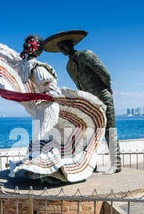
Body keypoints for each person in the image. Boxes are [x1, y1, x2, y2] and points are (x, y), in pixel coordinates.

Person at [0, 35, 107, 183]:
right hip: (46, 107)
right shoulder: (37, 67)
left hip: (44, 107)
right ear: (39, 51)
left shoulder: (24, 65)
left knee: (44, 138)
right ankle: (44, 171)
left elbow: (12, 58)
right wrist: (70, 97)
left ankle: (45, 171)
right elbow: (50, 89)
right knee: (44, 138)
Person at [43, 30, 122, 174]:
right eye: (61, 47)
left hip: (102, 95)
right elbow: (78, 86)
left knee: (110, 129)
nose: (64, 49)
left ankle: (116, 164)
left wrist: (108, 89)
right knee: (90, 132)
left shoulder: (86, 55)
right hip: (89, 100)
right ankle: (91, 164)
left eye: (66, 45)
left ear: (72, 44)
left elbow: (105, 73)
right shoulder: (69, 67)